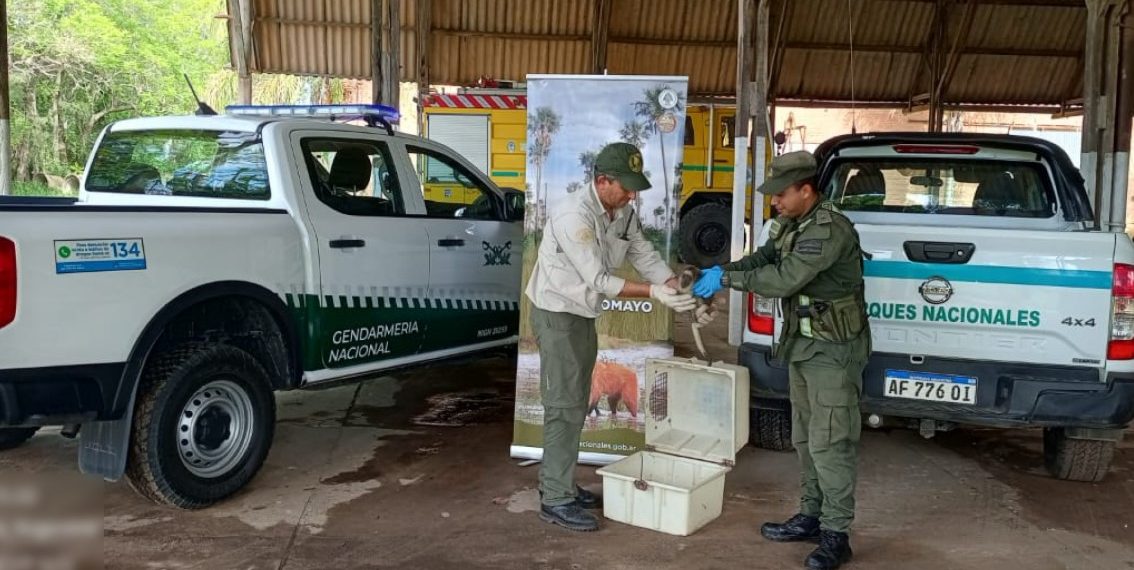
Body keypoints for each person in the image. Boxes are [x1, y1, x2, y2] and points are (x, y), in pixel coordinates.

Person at [692, 150, 870, 570]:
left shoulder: (828, 230)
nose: (774, 202)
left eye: (781, 195)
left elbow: (784, 278)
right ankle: (811, 515)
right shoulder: (794, 222)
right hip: (804, 347)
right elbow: (765, 259)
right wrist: (724, 268)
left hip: (833, 352)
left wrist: (729, 280)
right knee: (806, 438)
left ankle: (836, 535)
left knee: (832, 442)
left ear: (806, 191)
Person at [525, 142, 709, 532]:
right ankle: (555, 498)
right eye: (625, 186)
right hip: (557, 315)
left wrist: (674, 285)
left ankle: (561, 484)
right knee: (564, 404)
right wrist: (654, 294)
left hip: (581, 315)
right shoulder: (574, 215)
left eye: (634, 187)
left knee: (578, 400)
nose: (632, 194)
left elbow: (644, 254)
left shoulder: (620, 211)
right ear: (601, 179)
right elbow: (599, 279)